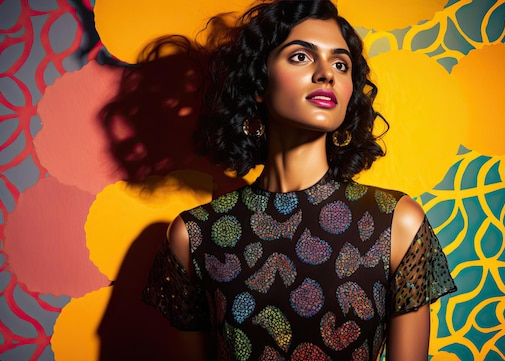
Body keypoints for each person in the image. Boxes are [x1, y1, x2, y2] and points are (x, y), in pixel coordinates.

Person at [142, 1, 457, 360]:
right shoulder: (195, 236)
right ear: (258, 84)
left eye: (341, 64)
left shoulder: (397, 223)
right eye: (301, 57)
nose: (327, 74)